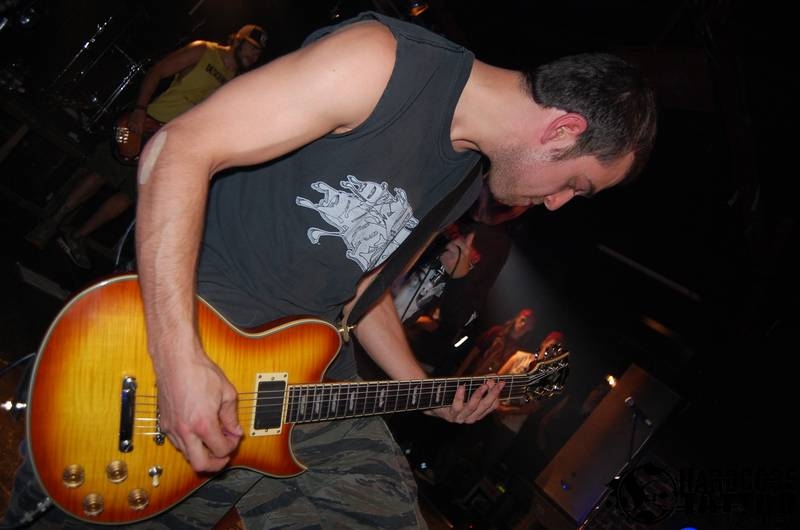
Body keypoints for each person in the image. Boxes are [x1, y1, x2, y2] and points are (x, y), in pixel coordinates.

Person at [5, 9, 656, 529]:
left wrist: (425, 388)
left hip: (298, 377)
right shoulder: (383, 62)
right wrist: (177, 361)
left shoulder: (462, 180)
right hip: (196, 336)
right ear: (562, 129)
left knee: (381, 510)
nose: (559, 203)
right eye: (577, 184)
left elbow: (363, 291)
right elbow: (176, 149)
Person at [25, 24, 268, 269]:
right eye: (252, 47)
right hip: (146, 124)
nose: (254, 55)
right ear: (238, 40)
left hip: (170, 144)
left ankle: (78, 236)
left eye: (258, 52)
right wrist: (139, 110)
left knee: (130, 195)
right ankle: (51, 224)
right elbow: (157, 71)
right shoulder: (204, 51)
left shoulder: (233, 82)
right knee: (102, 172)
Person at [455, 307, 537, 376]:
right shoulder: (496, 332)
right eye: (523, 320)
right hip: (473, 374)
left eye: (528, 324)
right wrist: (459, 373)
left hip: (490, 384)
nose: (523, 325)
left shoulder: (521, 349)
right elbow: (474, 352)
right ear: (517, 318)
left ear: (530, 328)